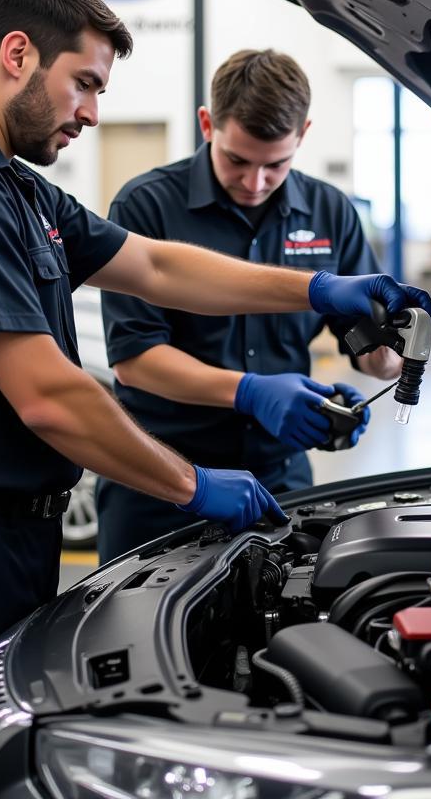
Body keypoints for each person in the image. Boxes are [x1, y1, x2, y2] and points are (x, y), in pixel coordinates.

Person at [0, 0, 431, 799]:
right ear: (15, 53)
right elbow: (49, 393)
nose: (92, 112)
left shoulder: (11, 186)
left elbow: (152, 265)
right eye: (84, 84)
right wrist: (189, 483)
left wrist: (318, 288)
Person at [97, 48, 413, 563]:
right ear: (207, 124)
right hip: (163, 479)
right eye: (237, 160)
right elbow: (135, 361)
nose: (255, 182)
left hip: (280, 483)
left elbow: (370, 352)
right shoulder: (146, 205)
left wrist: (386, 353)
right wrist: (249, 392)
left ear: (303, 135)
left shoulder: (330, 213)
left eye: (276, 165)